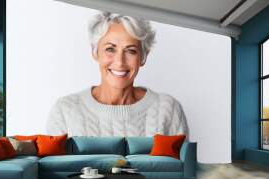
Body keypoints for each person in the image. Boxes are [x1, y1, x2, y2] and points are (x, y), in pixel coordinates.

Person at [46, 12, 188, 138]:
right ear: (95, 52)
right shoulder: (65, 111)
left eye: (131, 50)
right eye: (110, 49)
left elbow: (184, 167)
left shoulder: (168, 110)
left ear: (143, 56)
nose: (120, 62)